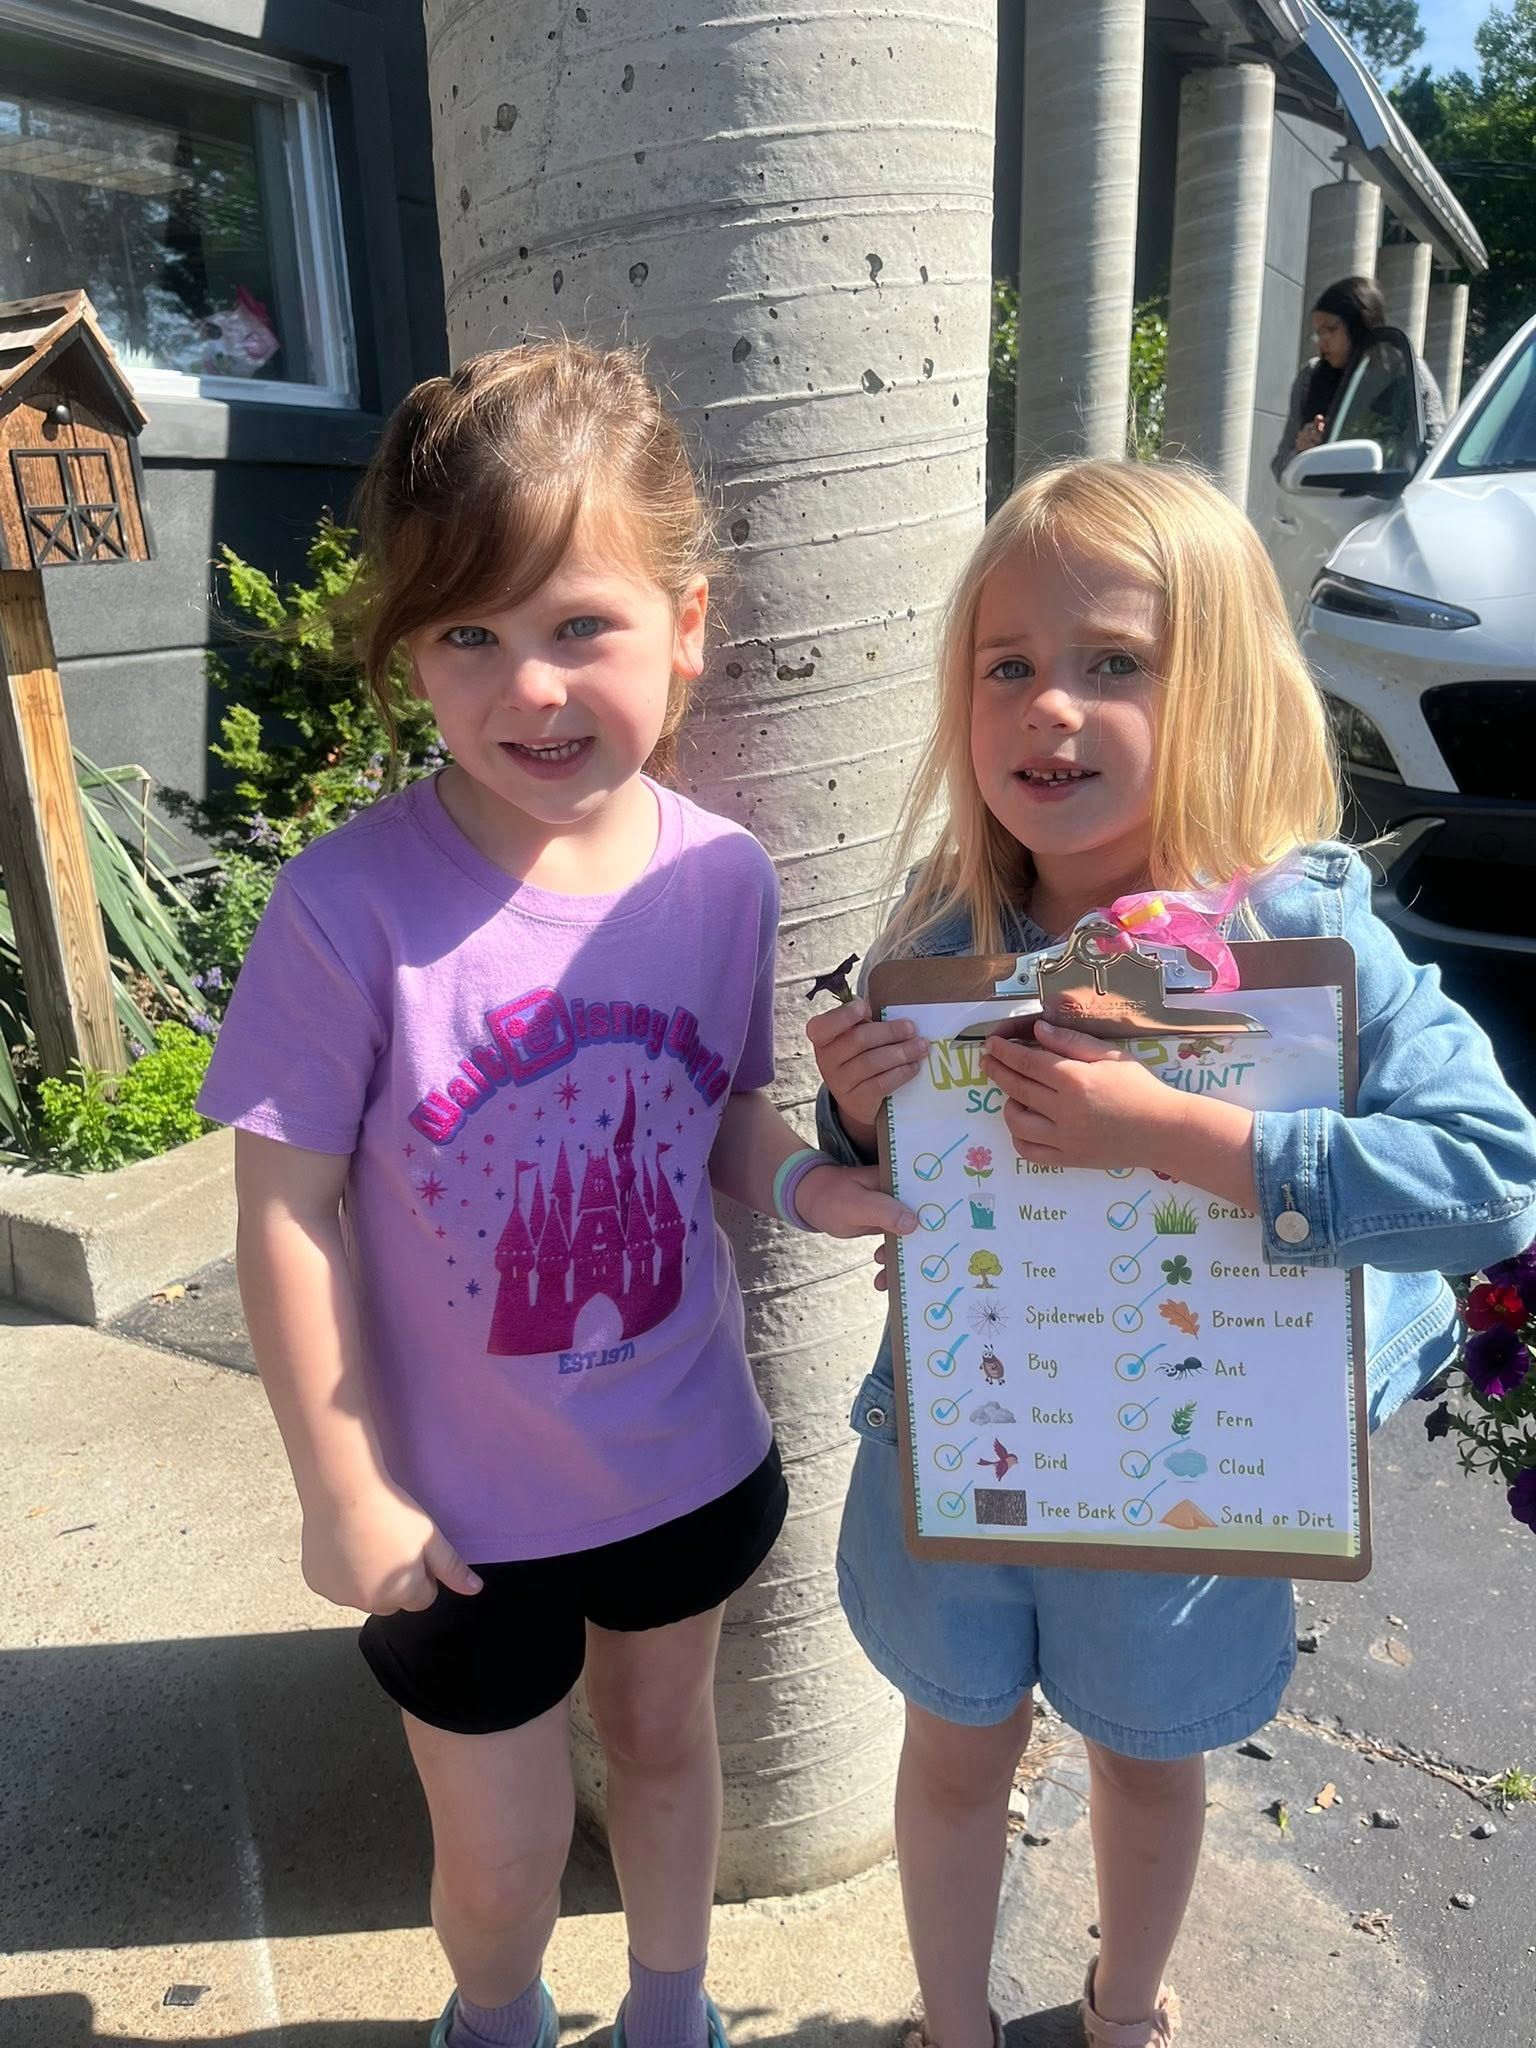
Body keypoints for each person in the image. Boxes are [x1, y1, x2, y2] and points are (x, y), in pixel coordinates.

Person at [197, 340, 915, 2048]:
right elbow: (283, 1212)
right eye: (469, 634)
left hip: (680, 1447)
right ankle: (494, 2016)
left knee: (668, 1747)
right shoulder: (345, 907)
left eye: (576, 624)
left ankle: (675, 2003)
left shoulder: (720, 872)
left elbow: (715, 1113)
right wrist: (341, 1486)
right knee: (502, 1847)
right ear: (410, 653)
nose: (529, 687)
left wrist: (816, 1185)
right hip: (447, 1519)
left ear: (686, 619)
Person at [807, 458, 1536, 2048]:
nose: (1046, 710)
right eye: (1007, 667)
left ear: (1223, 689)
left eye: (1113, 663)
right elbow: (883, 1178)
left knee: (1150, 1759)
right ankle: (951, 2023)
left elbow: (1494, 1177)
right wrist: (859, 1127)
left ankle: (1124, 2010)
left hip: (1190, 1479)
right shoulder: (943, 936)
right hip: (971, 1450)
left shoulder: (1307, 944)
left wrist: (1176, 1133)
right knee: (952, 1753)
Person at [1272, 273, 1445, 480]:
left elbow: (1434, 454)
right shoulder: (1310, 377)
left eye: (1330, 330)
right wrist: (1301, 451)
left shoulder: (1409, 375)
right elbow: (1280, 466)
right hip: (1313, 506)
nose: (1322, 341)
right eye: (1318, 333)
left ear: (1361, 324)